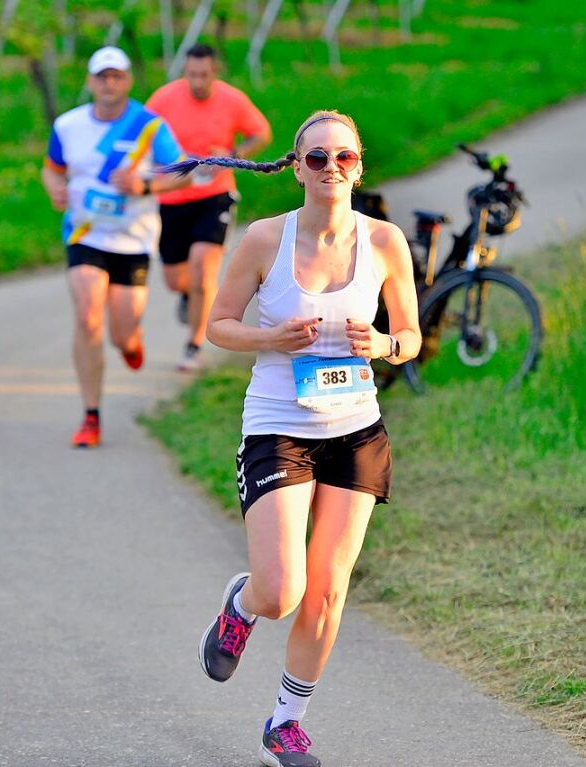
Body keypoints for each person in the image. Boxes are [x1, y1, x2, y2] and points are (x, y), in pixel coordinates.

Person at [164, 110, 420, 767]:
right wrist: (270, 338)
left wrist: (386, 343)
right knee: (282, 589)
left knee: (328, 588)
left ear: (359, 166)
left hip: (356, 427)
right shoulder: (263, 240)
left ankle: (286, 721)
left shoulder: (386, 242)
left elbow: (412, 338)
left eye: (343, 157)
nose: (331, 168)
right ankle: (242, 605)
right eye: (317, 158)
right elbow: (219, 324)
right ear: (296, 165)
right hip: (279, 423)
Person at [41, 46, 189, 448]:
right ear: (90, 82)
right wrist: (55, 188)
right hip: (84, 234)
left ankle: (130, 342)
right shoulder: (67, 125)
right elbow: (52, 169)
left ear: (127, 80)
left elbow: (183, 174)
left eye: (116, 76)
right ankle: (91, 415)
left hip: (133, 239)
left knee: (122, 332)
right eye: (101, 76)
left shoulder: (149, 126)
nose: (109, 83)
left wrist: (145, 185)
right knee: (88, 318)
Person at [146, 44, 272, 373]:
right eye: (191, 75)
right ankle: (188, 295)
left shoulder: (232, 100)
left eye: (203, 75)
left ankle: (194, 344)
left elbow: (261, 133)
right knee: (176, 280)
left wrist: (231, 152)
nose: (197, 82)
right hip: (173, 198)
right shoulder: (163, 100)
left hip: (214, 196)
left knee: (204, 272)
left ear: (215, 72)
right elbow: (139, 137)